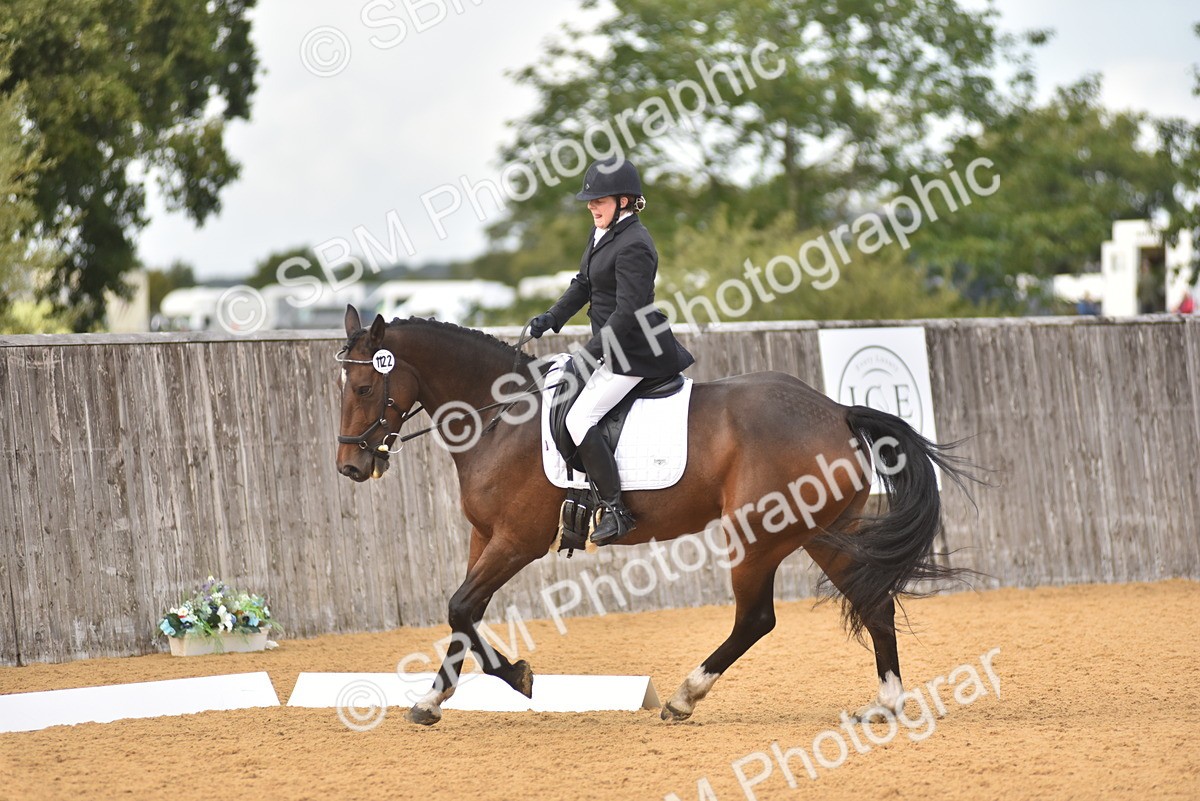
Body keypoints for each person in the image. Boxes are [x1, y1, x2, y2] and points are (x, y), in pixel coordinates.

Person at [528, 157, 694, 546]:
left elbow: (628, 312)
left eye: (598, 200)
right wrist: (552, 317)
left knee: (579, 417)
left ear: (623, 201)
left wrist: (590, 354)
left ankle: (616, 511)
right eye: (590, 200)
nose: (591, 206)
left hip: (636, 352)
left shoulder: (636, 244)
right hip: (611, 348)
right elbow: (583, 284)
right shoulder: (602, 232)